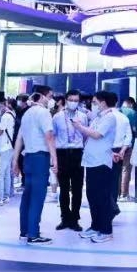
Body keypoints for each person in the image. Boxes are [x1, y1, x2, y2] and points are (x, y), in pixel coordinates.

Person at [72, 90, 118, 243]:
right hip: (91, 161)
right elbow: (91, 133)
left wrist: (79, 127)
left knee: (102, 197)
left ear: (103, 103)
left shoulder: (110, 117)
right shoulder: (99, 117)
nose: (93, 105)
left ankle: (106, 230)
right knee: (92, 195)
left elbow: (97, 134)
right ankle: (96, 226)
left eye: (95, 102)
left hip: (101, 162)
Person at [13, 92, 58, 245]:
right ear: (41, 97)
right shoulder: (43, 112)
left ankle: (25, 231)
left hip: (28, 157)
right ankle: (33, 234)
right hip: (40, 157)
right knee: (37, 197)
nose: (50, 99)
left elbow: (19, 138)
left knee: (28, 195)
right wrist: (54, 158)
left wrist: (15, 160)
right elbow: (49, 136)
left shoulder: (26, 114)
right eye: (49, 96)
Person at [53, 89, 88, 231]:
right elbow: (53, 136)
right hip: (62, 153)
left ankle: (75, 219)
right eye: (71, 100)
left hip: (77, 153)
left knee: (77, 188)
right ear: (66, 100)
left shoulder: (83, 116)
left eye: (76, 100)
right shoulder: (57, 117)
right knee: (64, 188)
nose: (73, 102)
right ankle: (64, 218)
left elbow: (85, 135)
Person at [110, 99, 133, 217]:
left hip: (105, 151)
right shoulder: (124, 117)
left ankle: (108, 207)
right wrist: (123, 150)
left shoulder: (102, 117)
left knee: (104, 181)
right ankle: (113, 205)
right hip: (119, 150)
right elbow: (129, 136)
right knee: (116, 178)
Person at [0, 101, 17, 206]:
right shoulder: (12, 114)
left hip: (4, 147)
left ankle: (0, 198)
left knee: (1, 174)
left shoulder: (5, 116)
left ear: (2, 105)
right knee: (6, 173)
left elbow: (0, 131)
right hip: (10, 147)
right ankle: (6, 196)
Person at [119, 97, 137, 201]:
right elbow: (135, 129)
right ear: (131, 104)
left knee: (117, 170)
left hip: (115, 145)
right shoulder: (132, 113)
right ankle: (124, 194)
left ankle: (116, 193)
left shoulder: (116, 112)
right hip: (128, 144)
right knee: (126, 169)